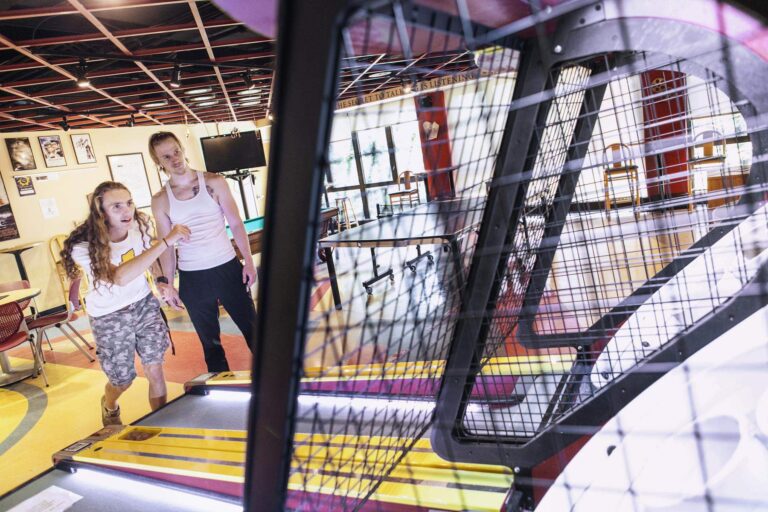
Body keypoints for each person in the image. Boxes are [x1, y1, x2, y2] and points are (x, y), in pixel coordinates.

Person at [62, 181, 190, 426]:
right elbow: (119, 277)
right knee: (123, 380)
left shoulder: (140, 225)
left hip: (143, 304)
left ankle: (162, 425)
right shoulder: (84, 246)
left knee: (155, 368)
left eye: (129, 202)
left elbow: (147, 259)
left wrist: (161, 280)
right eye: (117, 206)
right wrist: (165, 242)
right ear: (101, 212)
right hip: (109, 315)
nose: (126, 210)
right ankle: (109, 404)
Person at [149, 131, 258, 372]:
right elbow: (166, 246)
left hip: (227, 268)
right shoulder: (160, 200)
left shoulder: (214, 182)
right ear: (159, 163)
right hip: (193, 277)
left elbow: (236, 223)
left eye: (176, 151)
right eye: (166, 157)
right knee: (210, 345)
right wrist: (169, 284)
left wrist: (248, 261)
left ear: (182, 149)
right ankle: (222, 392)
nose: (174, 159)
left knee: (254, 331)